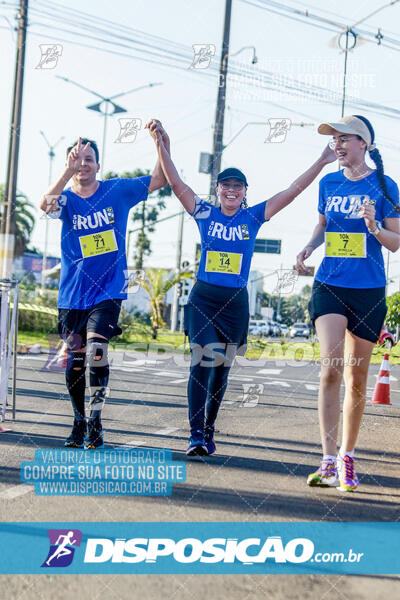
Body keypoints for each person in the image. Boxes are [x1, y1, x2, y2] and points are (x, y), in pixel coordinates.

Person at [147, 121, 335, 456]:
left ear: (245, 191)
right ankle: (194, 435)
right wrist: (163, 144)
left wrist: (321, 161)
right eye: (225, 186)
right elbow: (176, 183)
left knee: (220, 372)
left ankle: (208, 430)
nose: (231, 190)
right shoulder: (204, 213)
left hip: (235, 304)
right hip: (203, 299)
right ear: (217, 190)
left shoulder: (252, 218)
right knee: (201, 362)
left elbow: (291, 191)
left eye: (238, 186)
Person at [40, 123, 169, 449]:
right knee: (75, 362)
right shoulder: (66, 200)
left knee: (97, 352)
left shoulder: (117, 191)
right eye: (77, 159)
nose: (83, 164)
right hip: (72, 294)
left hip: (108, 291)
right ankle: (78, 421)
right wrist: (64, 172)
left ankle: (95, 422)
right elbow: (45, 204)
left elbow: (159, 179)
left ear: (99, 165)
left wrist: (161, 144)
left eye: (88, 159)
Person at [296, 115, 400, 492]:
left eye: (344, 139)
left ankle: (347, 456)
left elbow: (395, 242)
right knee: (330, 369)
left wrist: (374, 227)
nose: (337, 145)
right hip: (330, 284)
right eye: (334, 139)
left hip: (369, 289)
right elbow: (323, 226)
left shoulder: (386, 186)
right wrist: (309, 247)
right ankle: (326, 459)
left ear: (364, 144)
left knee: (357, 379)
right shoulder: (328, 183)